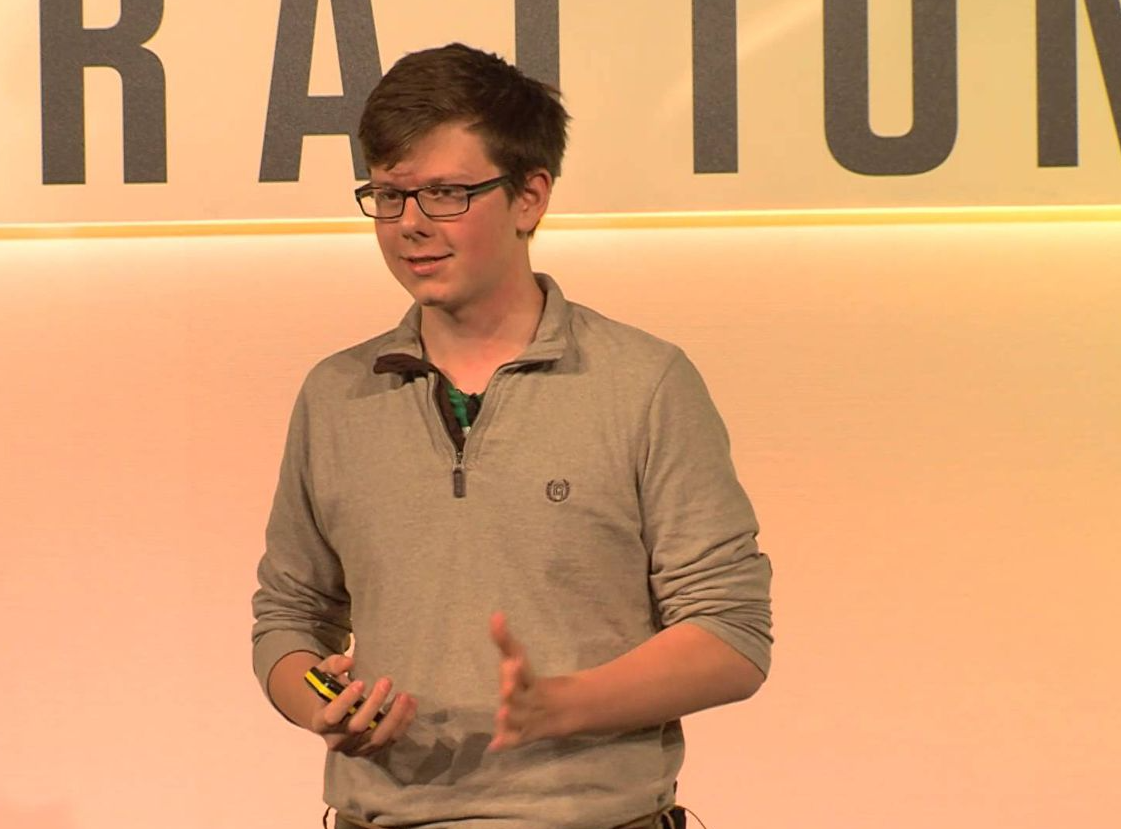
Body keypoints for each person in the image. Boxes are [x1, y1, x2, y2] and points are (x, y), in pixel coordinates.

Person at [251, 43, 772, 829]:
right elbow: (289, 617)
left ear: (530, 197)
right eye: (388, 195)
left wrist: (564, 701)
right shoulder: (336, 395)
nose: (411, 224)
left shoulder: (645, 382)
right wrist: (320, 702)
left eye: (445, 193)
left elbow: (731, 633)